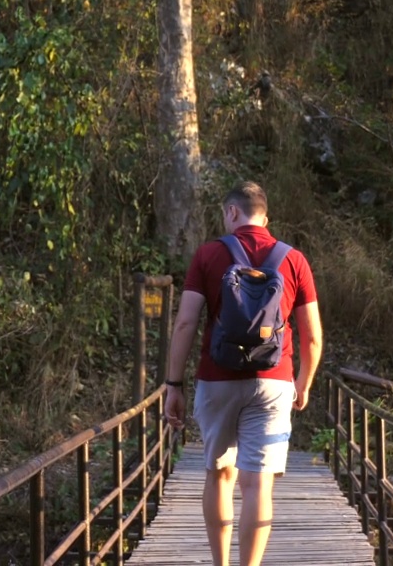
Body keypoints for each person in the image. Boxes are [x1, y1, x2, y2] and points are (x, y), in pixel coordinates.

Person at [164, 181, 323, 566]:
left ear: (232, 212)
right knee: (257, 483)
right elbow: (313, 336)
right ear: (264, 217)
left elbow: (185, 324)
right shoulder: (294, 260)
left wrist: (174, 385)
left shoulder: (208, 255)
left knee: (220, 474)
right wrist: (303, 381)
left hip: (217, 379)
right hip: (274, 380)